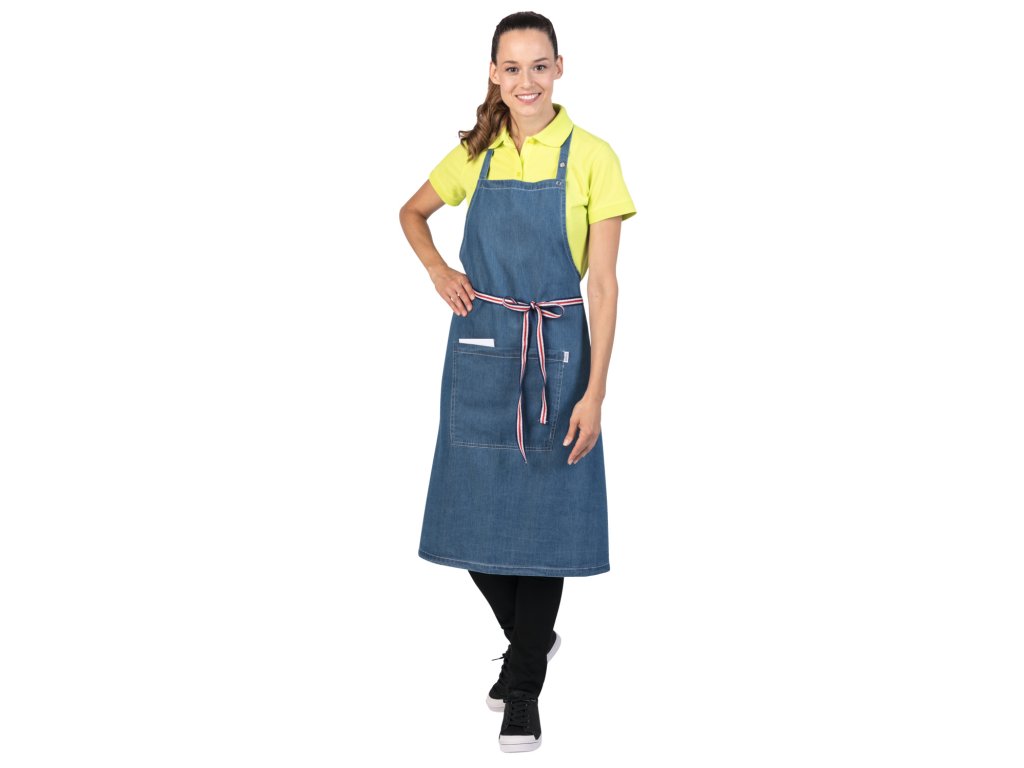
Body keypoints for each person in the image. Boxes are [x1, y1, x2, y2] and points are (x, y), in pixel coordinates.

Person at [398, 11, 636, 754]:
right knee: (468, 513)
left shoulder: (593, 156)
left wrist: (596, 391)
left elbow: (603, 285)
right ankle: (533, 639)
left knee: (549, 518)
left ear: (560, 68)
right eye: (512, 67)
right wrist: (438, 269)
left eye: (539, 66)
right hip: (480, 346)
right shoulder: (477, 151)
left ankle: (524, 684)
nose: (526, 81)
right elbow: (411, 212)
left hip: (559, 351)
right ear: (493, 74)